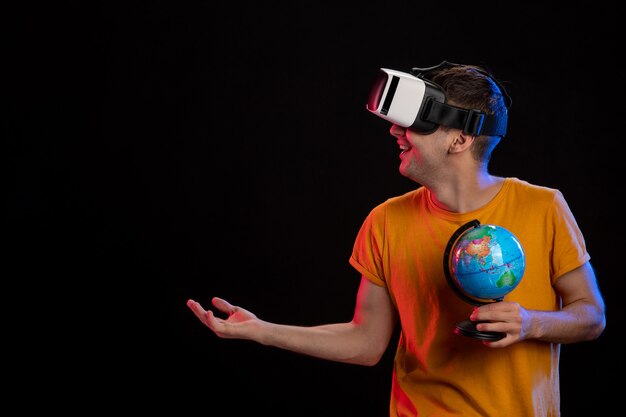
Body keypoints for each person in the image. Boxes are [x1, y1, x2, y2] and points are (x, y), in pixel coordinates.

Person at [186, 62, 606, 416]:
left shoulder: (544, 207)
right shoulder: (385, 221)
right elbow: (366, 342)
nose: (394, 132)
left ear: (460, 139)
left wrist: (533, 323)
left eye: (415, 126)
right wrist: (261, 331)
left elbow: (591, 315)